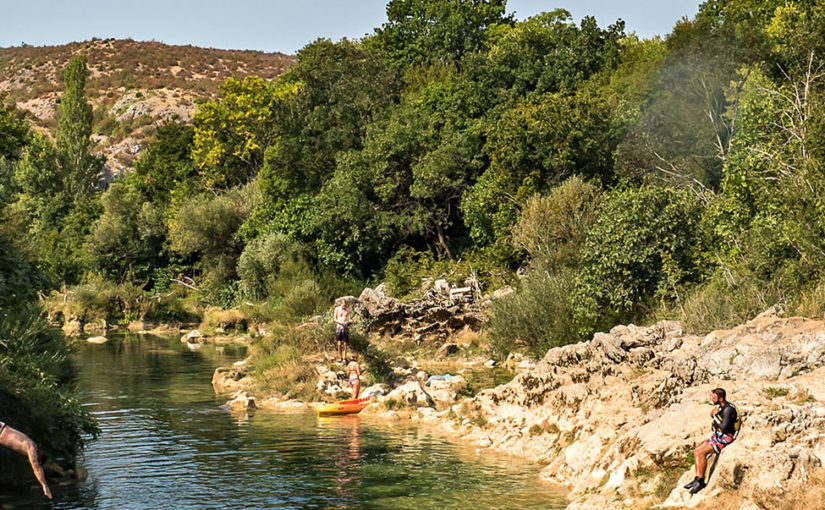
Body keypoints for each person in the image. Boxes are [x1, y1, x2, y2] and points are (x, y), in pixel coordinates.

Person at [684, 388, 740, 494]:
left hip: (726, 437)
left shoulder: (728, 409)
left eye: (714, 398)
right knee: (696, 451)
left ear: (721, 398)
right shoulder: (721, 407)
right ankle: (696, 479)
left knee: (701, 453)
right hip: (718, 435)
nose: (712, 399)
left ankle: (701, 481)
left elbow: (724, 428)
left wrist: (715, 415)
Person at [0, 420, 52, 499]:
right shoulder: (32, 450)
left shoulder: (32, 445)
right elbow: (37, 469)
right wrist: (45, 486)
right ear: (39, 459)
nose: (30, 461)